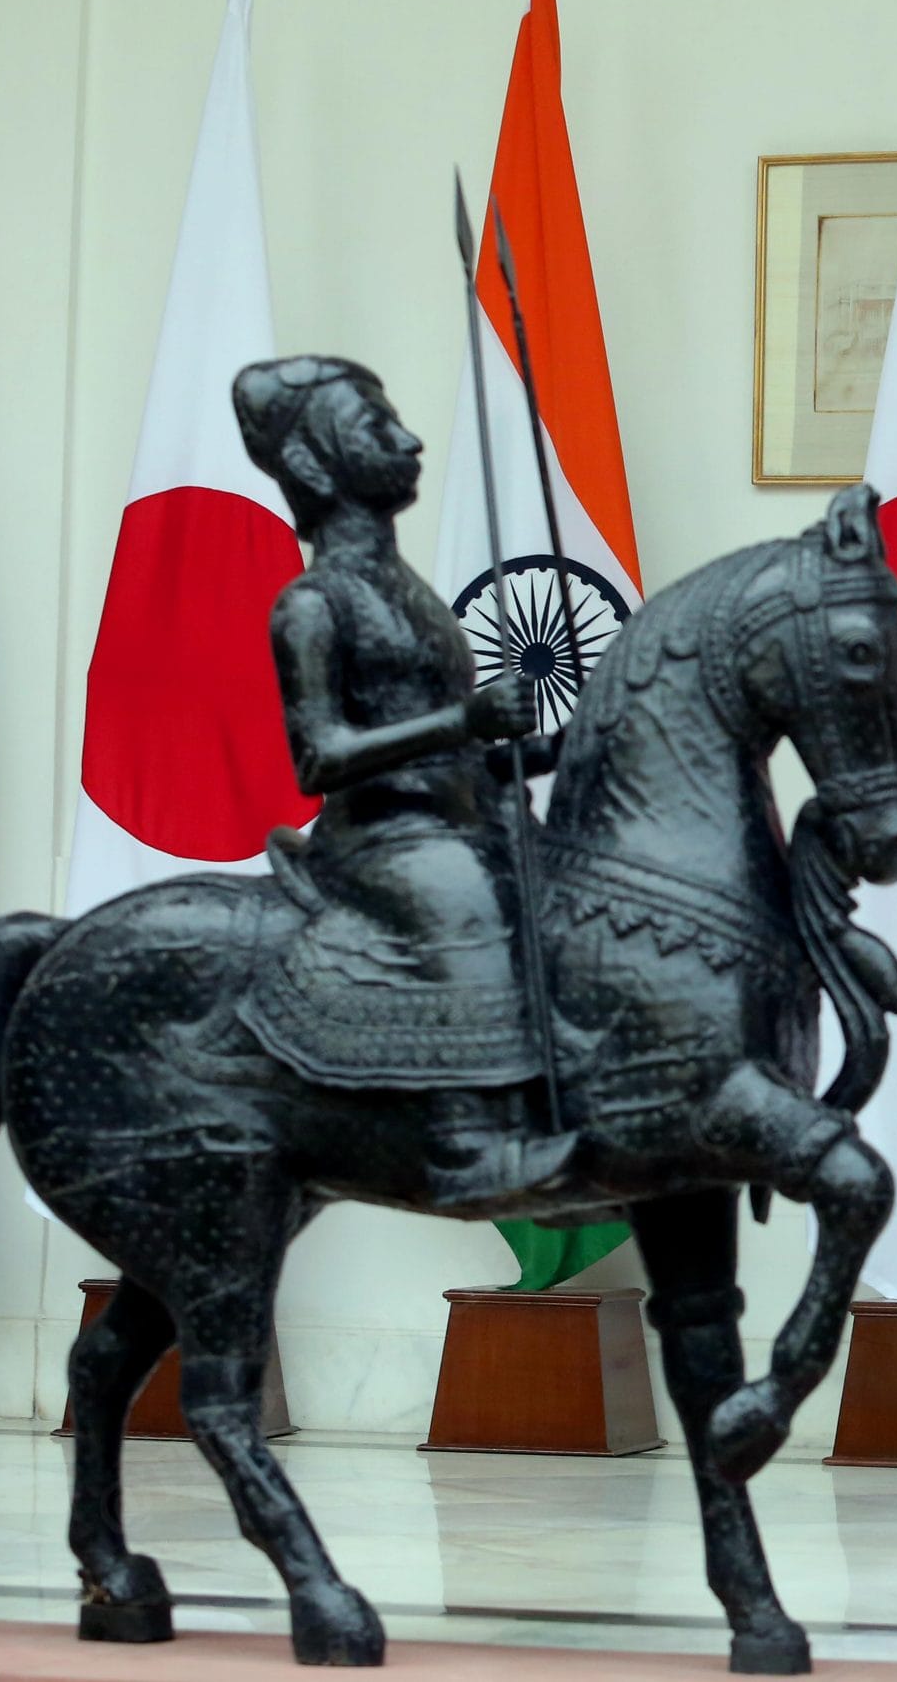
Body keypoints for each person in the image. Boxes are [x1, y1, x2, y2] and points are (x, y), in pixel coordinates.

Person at [232, 355, 568, 1208]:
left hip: (461, 821)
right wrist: (463, 721)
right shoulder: (313, 603)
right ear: (312, 464)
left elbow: (465, 753)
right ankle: (465, 1136)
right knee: (467, 898)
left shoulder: (414, 595)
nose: (409, 440)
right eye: (375, 427)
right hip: (382, 840)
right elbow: (318, 757)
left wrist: (561, 745)